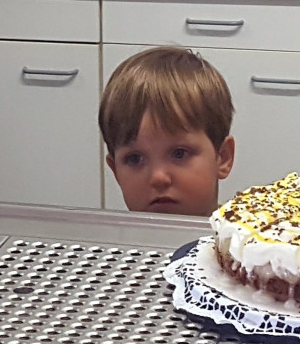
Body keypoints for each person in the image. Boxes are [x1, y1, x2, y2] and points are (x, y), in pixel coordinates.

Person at [100, 46, 237, 216]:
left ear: (223, 157)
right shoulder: (105, 234)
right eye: (135, 159)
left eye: (179, 153)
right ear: (115, 171)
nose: (158, 178)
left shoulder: (251, 231)